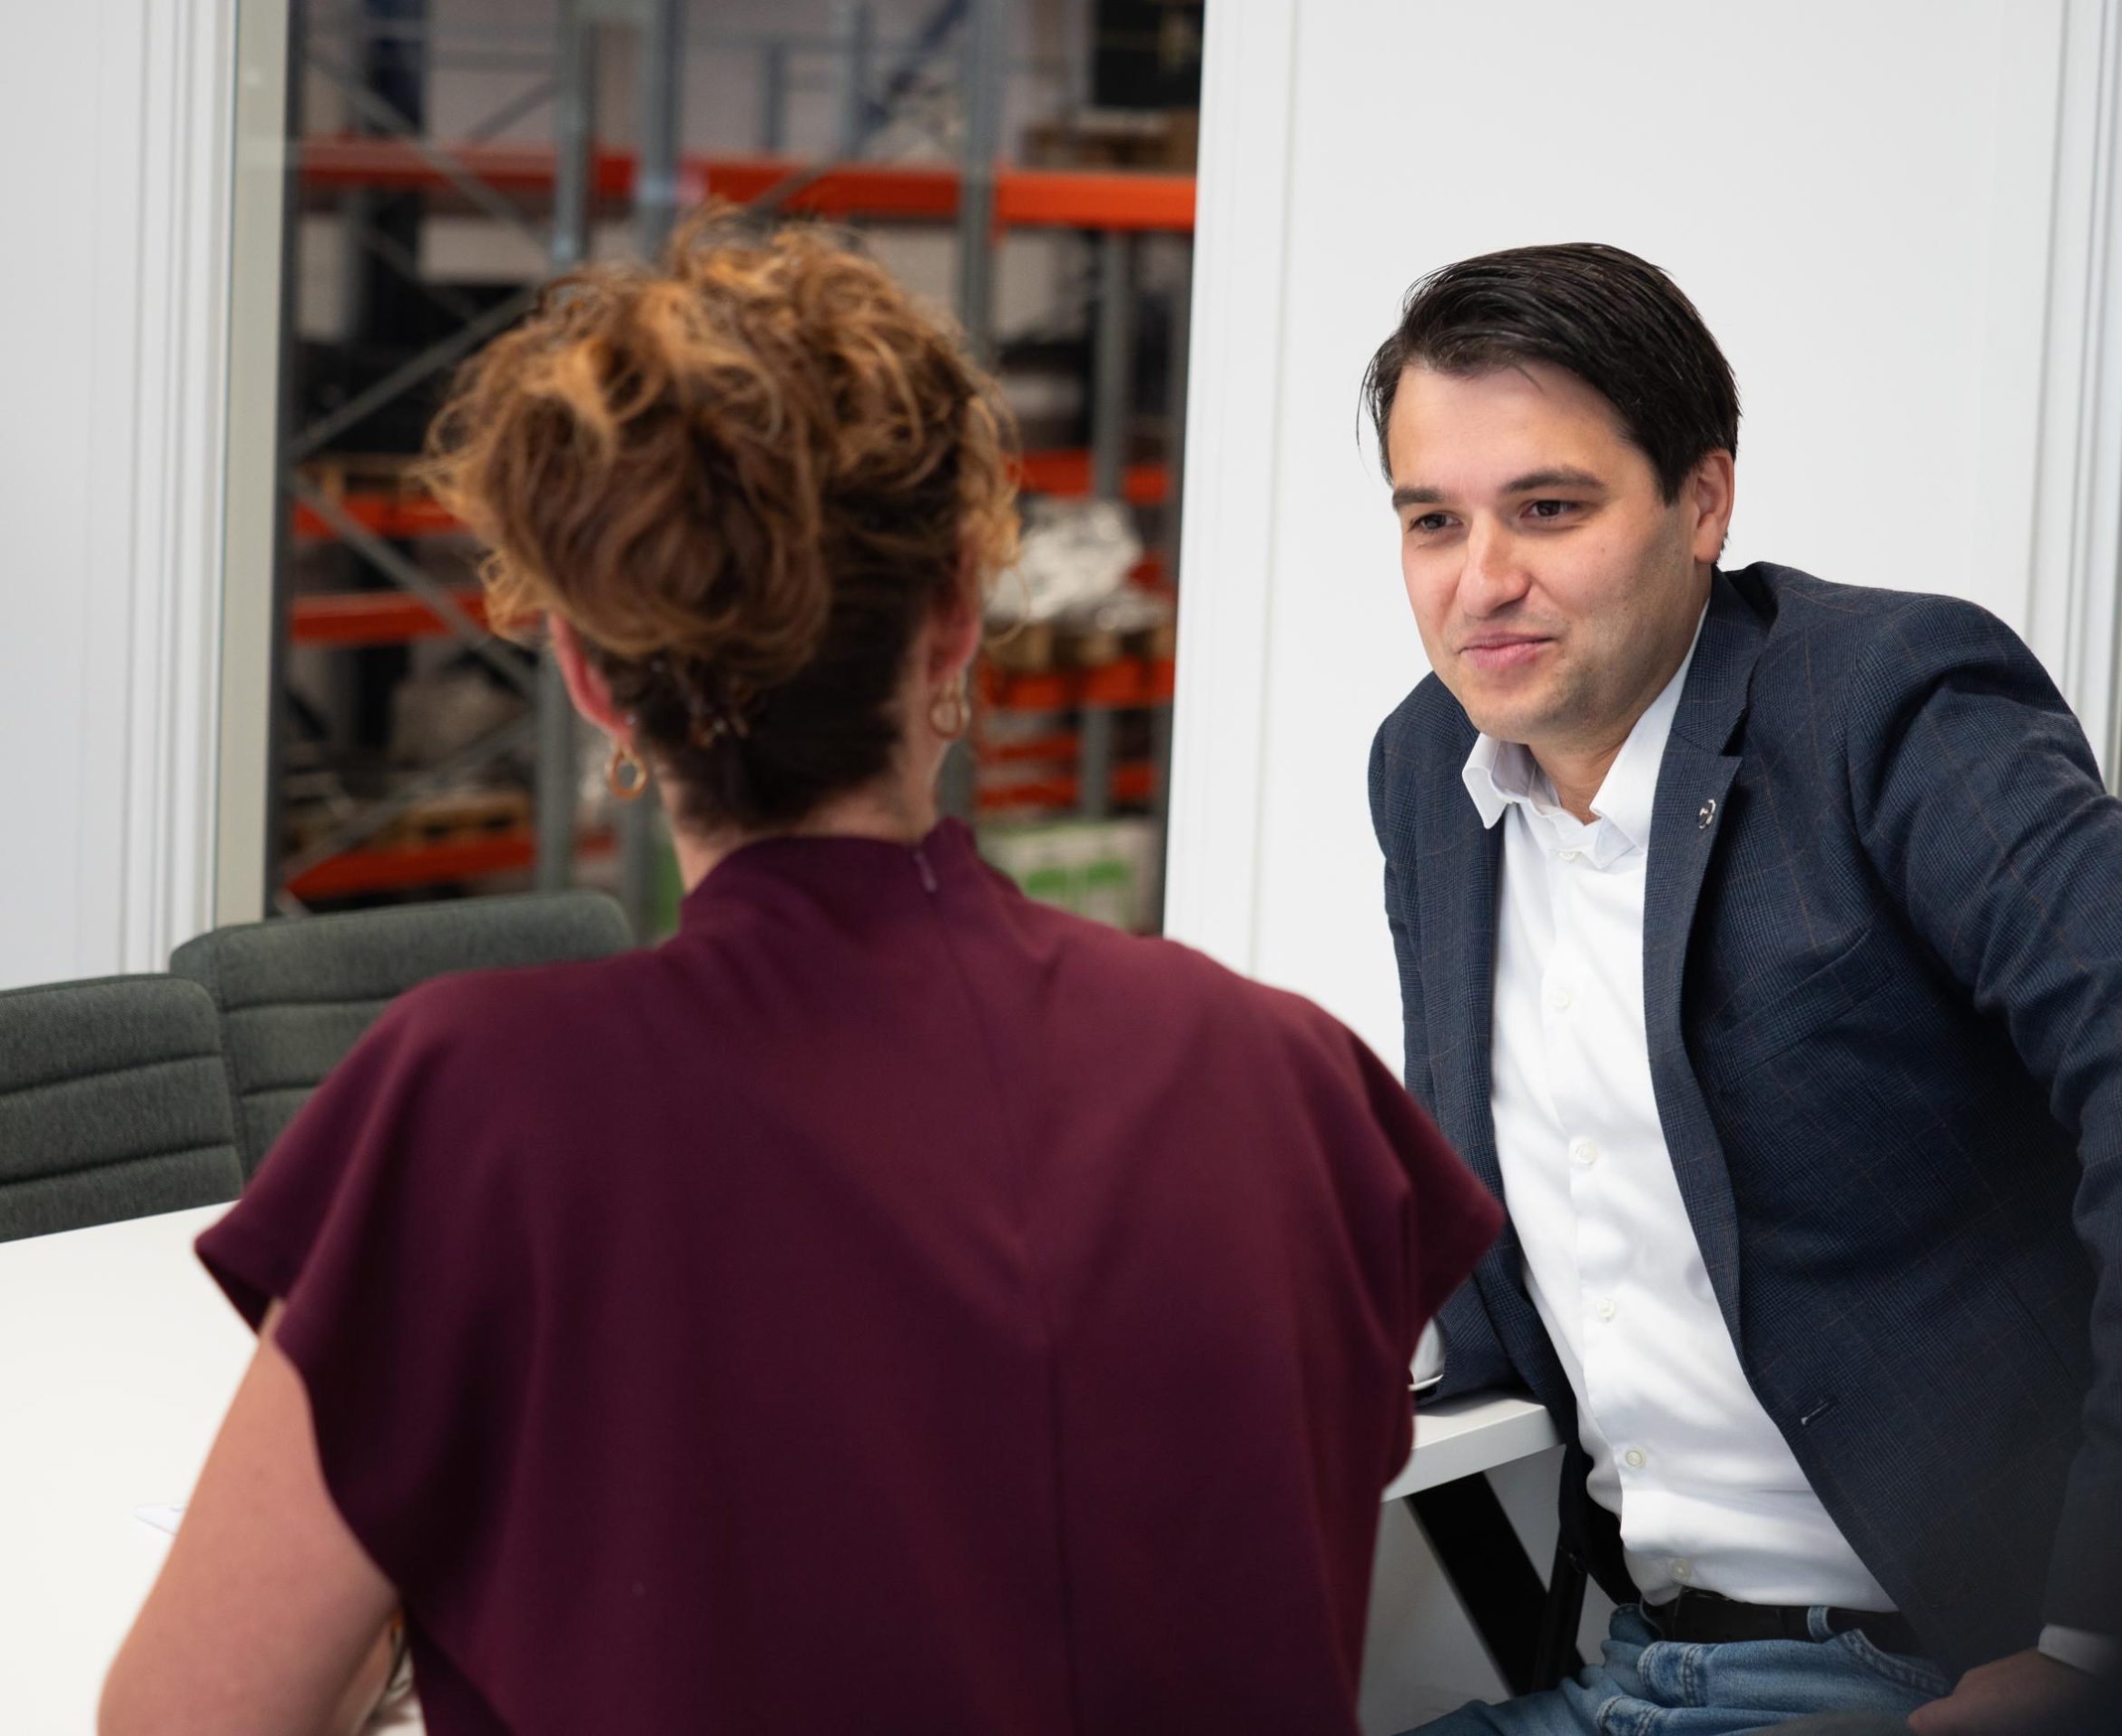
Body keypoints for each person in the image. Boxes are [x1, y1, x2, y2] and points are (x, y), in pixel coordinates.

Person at [102, 217, 1503, 1736]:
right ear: (956, 625)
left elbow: (190, 1717)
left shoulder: (487, 1106)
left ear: (584, 675)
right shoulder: (1284, 1081)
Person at [1361, 243, 2122, 1736]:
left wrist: (2105, 1639)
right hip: (1632, 1656)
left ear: (1703, 501)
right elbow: (1539, 1202)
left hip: (1921, 1668)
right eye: (1435, 520)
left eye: (1549, 509)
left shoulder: (1885, 706)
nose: (1484, 580)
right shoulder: (1430, 767)